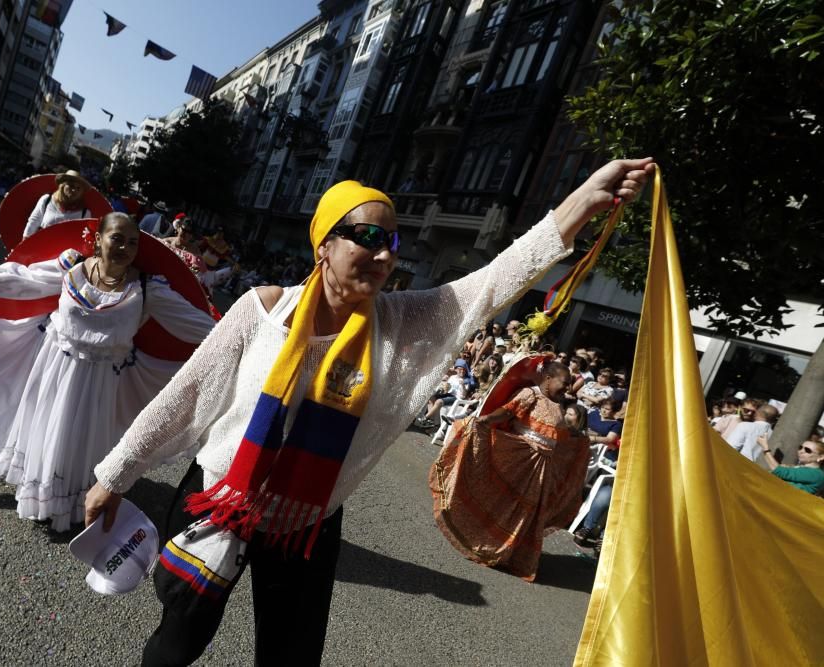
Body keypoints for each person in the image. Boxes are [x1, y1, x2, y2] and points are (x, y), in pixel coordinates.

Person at [80, 158, 653, 665]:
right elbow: (185, 392)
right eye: (367, 236)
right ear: (324, 244)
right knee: (178, 642)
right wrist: (114, 474)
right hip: (219, 499)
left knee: (289, 657)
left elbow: (493, 280)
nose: (383, 255)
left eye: (393, 242)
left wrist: (582, 201)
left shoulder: (403, 322)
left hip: (305, 523)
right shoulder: (264, 310)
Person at [0, 212, 217, 532]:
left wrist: (246, 330)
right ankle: (42, 496)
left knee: (81, 439)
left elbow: (199, 326)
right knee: (47, 427)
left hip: (100, 380)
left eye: (132, 243)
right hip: (54, 365)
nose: (125, 248)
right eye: (117, 238)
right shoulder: (71, 268)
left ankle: (72, 504)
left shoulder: (147, 289)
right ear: (98, 239)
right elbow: (26, 279)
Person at [432, 361, 591, 580]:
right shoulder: (530, 395)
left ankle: (509, 553)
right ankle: (489, 546)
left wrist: (578, 442)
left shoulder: (560, 404)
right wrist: (485, 420)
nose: (567, 388)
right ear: (548, 378)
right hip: (519, 459)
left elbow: (558, 436)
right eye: (564, 383)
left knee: (527, 512)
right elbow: (506, 412)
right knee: (505, 503)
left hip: (541, 469)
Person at [22, 170, 94, 238]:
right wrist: (25, 243)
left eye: (78, 188)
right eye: (71, 186)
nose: (74, 190)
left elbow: (82, 236)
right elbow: (33, 222)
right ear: (62, 186)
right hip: (39, 246)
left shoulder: (85, 213)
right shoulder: (46, 200)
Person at [755, 437, 824, 495]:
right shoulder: (802, 468)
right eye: (800, 447)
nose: (801, 451)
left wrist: (765, 448)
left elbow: (778, 471)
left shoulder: (816, 474)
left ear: (821, 457)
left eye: (807, 450)